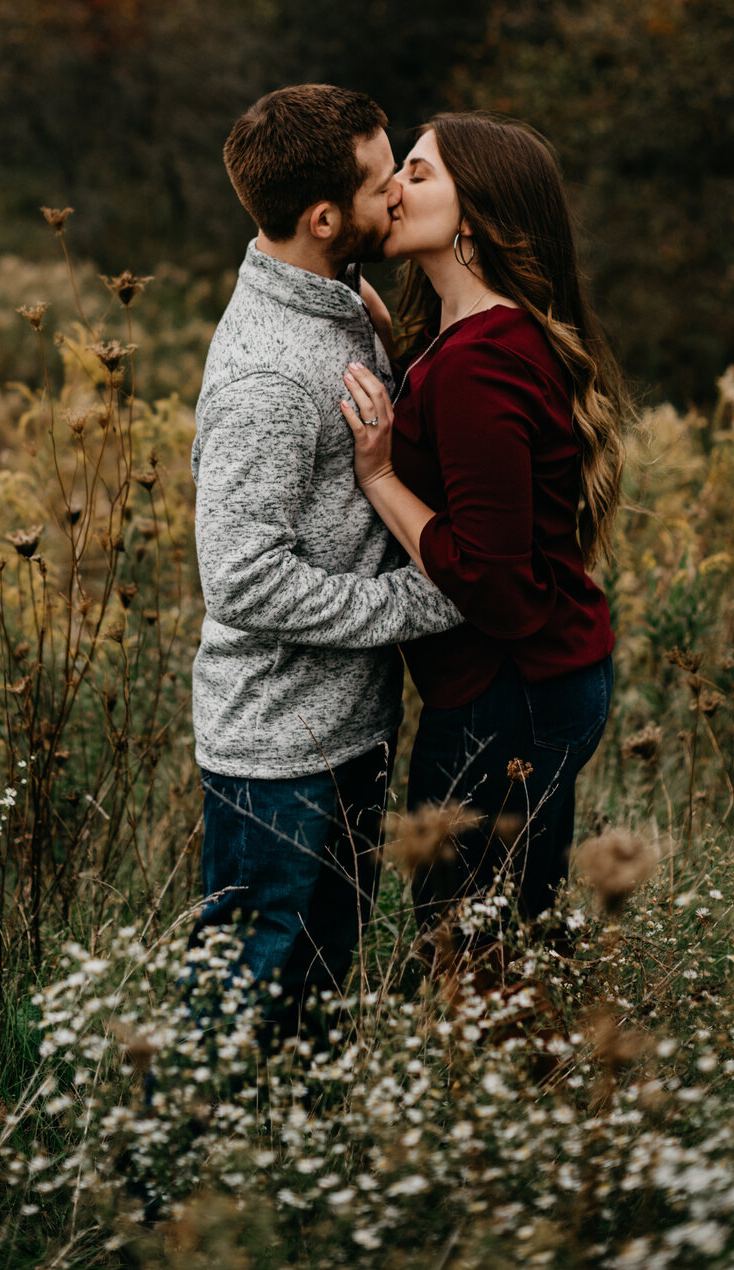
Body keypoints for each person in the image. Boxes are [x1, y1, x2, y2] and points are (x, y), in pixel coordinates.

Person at [188, 84, 462, 1028]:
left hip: (346, 725)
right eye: (383, 184)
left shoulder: (336, 293)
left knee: (311, 1001)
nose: (398, 197)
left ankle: (280, 1166)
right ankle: (165, 1173)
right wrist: (424, 604)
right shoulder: (268, 374)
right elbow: (242, 577)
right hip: (279, 751)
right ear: (322, 217)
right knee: (239, 1006)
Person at [339, 113, 628, 928]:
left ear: (477, 214)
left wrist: (381, 474)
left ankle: (523, 1057)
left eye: (420, 175)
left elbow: (495, 585)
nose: (395, 188)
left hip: (512, 689)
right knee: (509, 929)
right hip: (535, 677)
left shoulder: (478, 361)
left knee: (472, 942)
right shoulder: (472, 337)